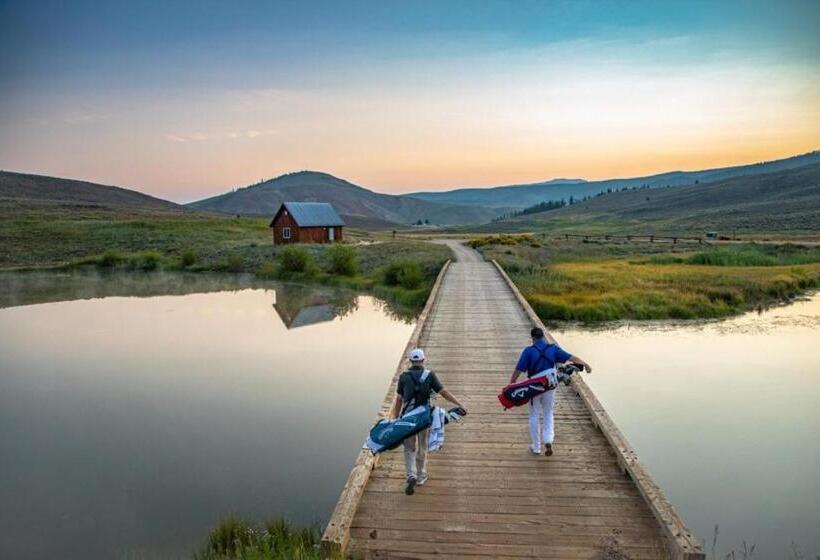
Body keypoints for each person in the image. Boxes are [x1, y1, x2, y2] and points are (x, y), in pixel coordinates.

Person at [390, 347, 466, 495]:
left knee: (409, 448)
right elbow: (443, 392)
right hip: (424, 417)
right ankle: (420, 476)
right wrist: (459, 404)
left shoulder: (404, 377)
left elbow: (399, 399)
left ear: (411, 361)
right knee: (422, 446)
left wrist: (395, 418)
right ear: (423, 360)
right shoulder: (430, 375)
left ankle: (410, 475)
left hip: (408, 417)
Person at [510, 327, 592, 456]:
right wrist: (585, 364)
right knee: (548, 413)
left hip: (534, 387)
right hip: (549, 385)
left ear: (532, 338)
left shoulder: (528, 351)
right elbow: (571, 358)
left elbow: (519, 369)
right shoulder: (553, 349)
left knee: (534, 415)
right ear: (543, 337)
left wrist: (512, 383)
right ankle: (548, 440)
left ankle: (536, 447)